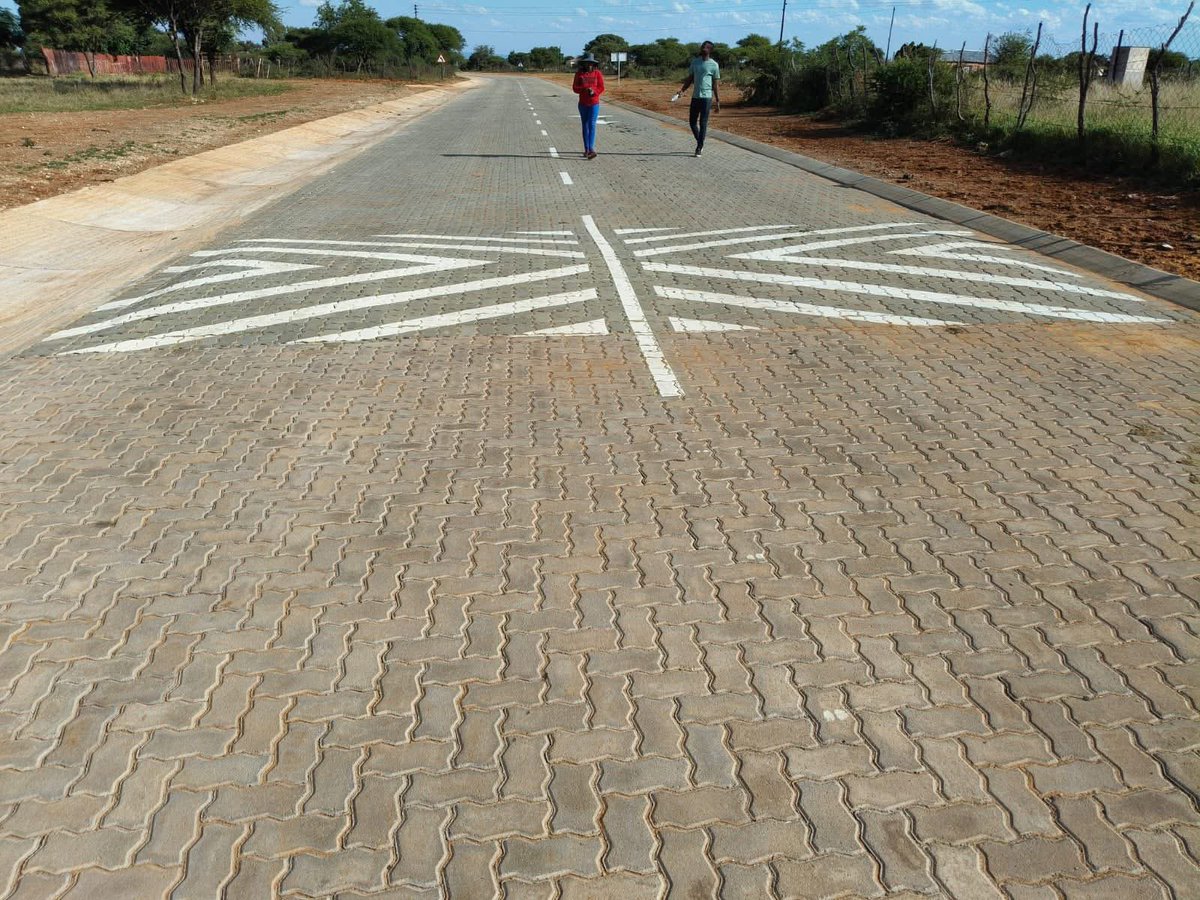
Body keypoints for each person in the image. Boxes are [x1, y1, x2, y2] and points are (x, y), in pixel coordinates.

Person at [678, 41, 720, 157]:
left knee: (703, 123)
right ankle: (700, 141)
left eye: (706, 47)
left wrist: (717, 101)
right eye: (702, 46)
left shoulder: (714, 65)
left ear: (710, 50)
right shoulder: (695, 62)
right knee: (692, 122)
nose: (703, 48)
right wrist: (682, 90)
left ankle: (699, 147)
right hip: (695, 96)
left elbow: (715, 84)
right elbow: (690, 78)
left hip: (706, 97)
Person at [572, 53, 605, 160]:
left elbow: (601, 87)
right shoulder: (579, 74)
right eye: (587, 63)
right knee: (585, 126)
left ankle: (591, 149)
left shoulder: (597, 74)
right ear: (584, 64)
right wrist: (584, 88)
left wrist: (594, 91)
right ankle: (586, 149)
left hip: (594, 103)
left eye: (590, 63)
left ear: (593, 64)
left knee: (592, 124)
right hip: (583, 104)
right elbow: (575, 88)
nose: (589, 65)